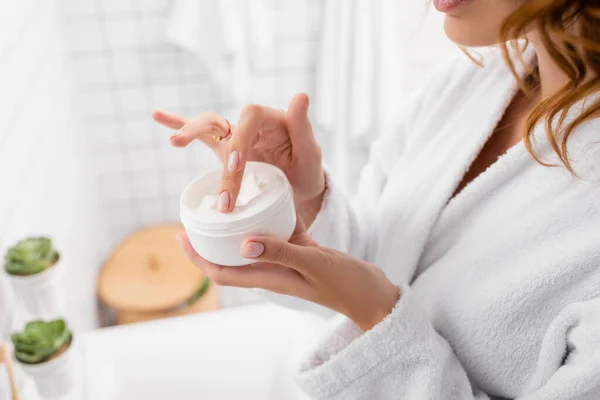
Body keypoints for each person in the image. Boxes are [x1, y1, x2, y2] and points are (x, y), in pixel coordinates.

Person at [152, 0, 600, 398]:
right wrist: (300, 199)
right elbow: (383, 259)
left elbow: (376, 295)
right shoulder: (470, 81)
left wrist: (376, 315)